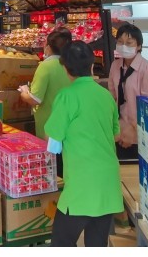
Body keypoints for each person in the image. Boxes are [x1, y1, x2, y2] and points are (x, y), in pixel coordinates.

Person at [44, 41, 122, 247]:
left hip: (81, 182)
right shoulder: (105, 95)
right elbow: (116, 135)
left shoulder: (67, 96)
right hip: (107, 181)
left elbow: (52, 136)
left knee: (62, 242)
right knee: (97, 243)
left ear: (65, 69)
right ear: (92, 65)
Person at [106, 22, 148, 162]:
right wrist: (117, 128)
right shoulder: (115, 66)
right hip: (119, 132)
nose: (124, 46)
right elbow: (112, 98)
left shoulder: (146, 69)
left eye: (129, 43)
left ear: (139, 46)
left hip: (140, 134)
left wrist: (133, 130)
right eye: (120, 42)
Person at [17, 29, 72, 140]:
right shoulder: (71, 64)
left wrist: (24, 93)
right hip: (69, 124)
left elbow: (35, 99)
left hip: (49, 124)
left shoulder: (46, 66)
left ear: (48, 48)